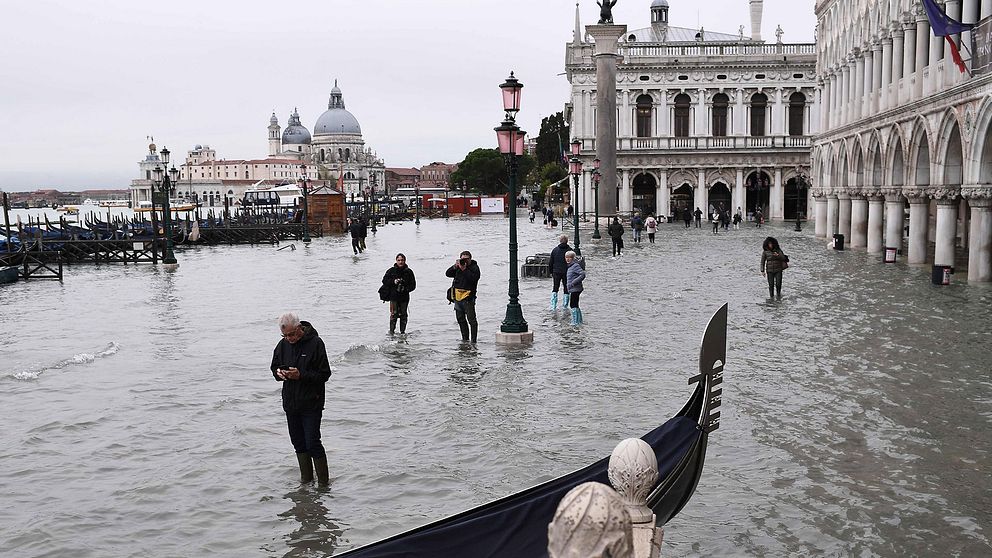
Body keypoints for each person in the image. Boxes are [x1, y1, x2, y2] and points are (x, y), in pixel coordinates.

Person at [271, 313, 333, 486]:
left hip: (312, 403)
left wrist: (301, 375)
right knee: (298, 443)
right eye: (285, 336)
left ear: (299, 328)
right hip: (291, 403)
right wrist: (279, 374)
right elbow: (274, 366)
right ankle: (306, 482)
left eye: (291, 334)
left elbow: (324, 374)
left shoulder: (316, 343)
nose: (288, 338)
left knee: (313, 442)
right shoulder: (282, 345)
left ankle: (323, 486)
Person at [446, 250, 481, 342]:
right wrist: (455, 266)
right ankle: (465, 340)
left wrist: (464, 269)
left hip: (468, 298)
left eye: (466, 259)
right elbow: (447, 274)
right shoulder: (458, 267)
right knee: (460, 319)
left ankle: (474, 341)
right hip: (457, 298)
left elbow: (473, 279)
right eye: (462, 259)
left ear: (470, 259)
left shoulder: (474, 268)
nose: (464, 261)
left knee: (472, 320)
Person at [381, 253, 417, 334]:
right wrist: (394, 281)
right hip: (393, 297)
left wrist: (405, 288)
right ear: (396, 261)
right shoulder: (391, 271)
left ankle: (402, 333)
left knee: (404, 315)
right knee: (394, 315)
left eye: (402, 260)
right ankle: (391, 332)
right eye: (399, 260)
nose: (400, 262)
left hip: (404, 297)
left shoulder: (409, 272)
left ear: (405, 261)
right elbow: (384, 281)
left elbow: (413, 285)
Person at [548, 234, 572, 310]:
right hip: (567, 272)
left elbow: (551, 262)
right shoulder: (570, 251)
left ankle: (553, 306)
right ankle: (565, 306)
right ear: (567, 241)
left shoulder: (555, 250)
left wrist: (551, 272)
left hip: (556, 272)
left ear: (560, 241)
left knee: (555, 288)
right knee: (566, 288)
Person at [565, 251, 586, 325]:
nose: (567, 259)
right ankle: (579, 321)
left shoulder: (575, 266)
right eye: (566, 257)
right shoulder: (570, 266)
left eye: (569, 258)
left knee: (573, 304)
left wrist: (573, 282)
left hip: (575, 288)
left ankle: (575, 322)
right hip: (573, 288)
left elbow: (582, 274)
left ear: (573, 258)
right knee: (575, 304)